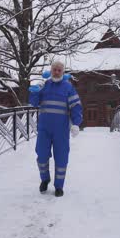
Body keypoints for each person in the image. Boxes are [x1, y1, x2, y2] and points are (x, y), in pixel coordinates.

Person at [28, 61, 83, 197]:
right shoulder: (44, 85)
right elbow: (34, 103)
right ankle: (45, 179)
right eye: (54, 70)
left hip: (61, 130)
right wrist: (35, 91)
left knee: (61, 158)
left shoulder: (68, 87)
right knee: (41, 155)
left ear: (62, 72)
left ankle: (59, 186)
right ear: (51, 71)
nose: (56, 72)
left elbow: (76, 105)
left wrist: (76, 123)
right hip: (44, 129)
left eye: (59, 70)